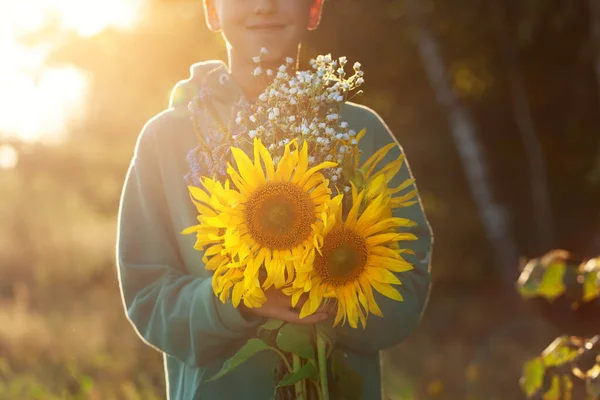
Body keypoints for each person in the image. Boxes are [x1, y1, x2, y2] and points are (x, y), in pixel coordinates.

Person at [115, 0, 433, 398]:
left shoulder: (361, 132)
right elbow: (147, 296)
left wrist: (329, 294)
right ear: (212, 11)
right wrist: (239, 302)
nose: (264, 6)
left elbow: (407, 287)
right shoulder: (166, 140)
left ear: (314, 10)